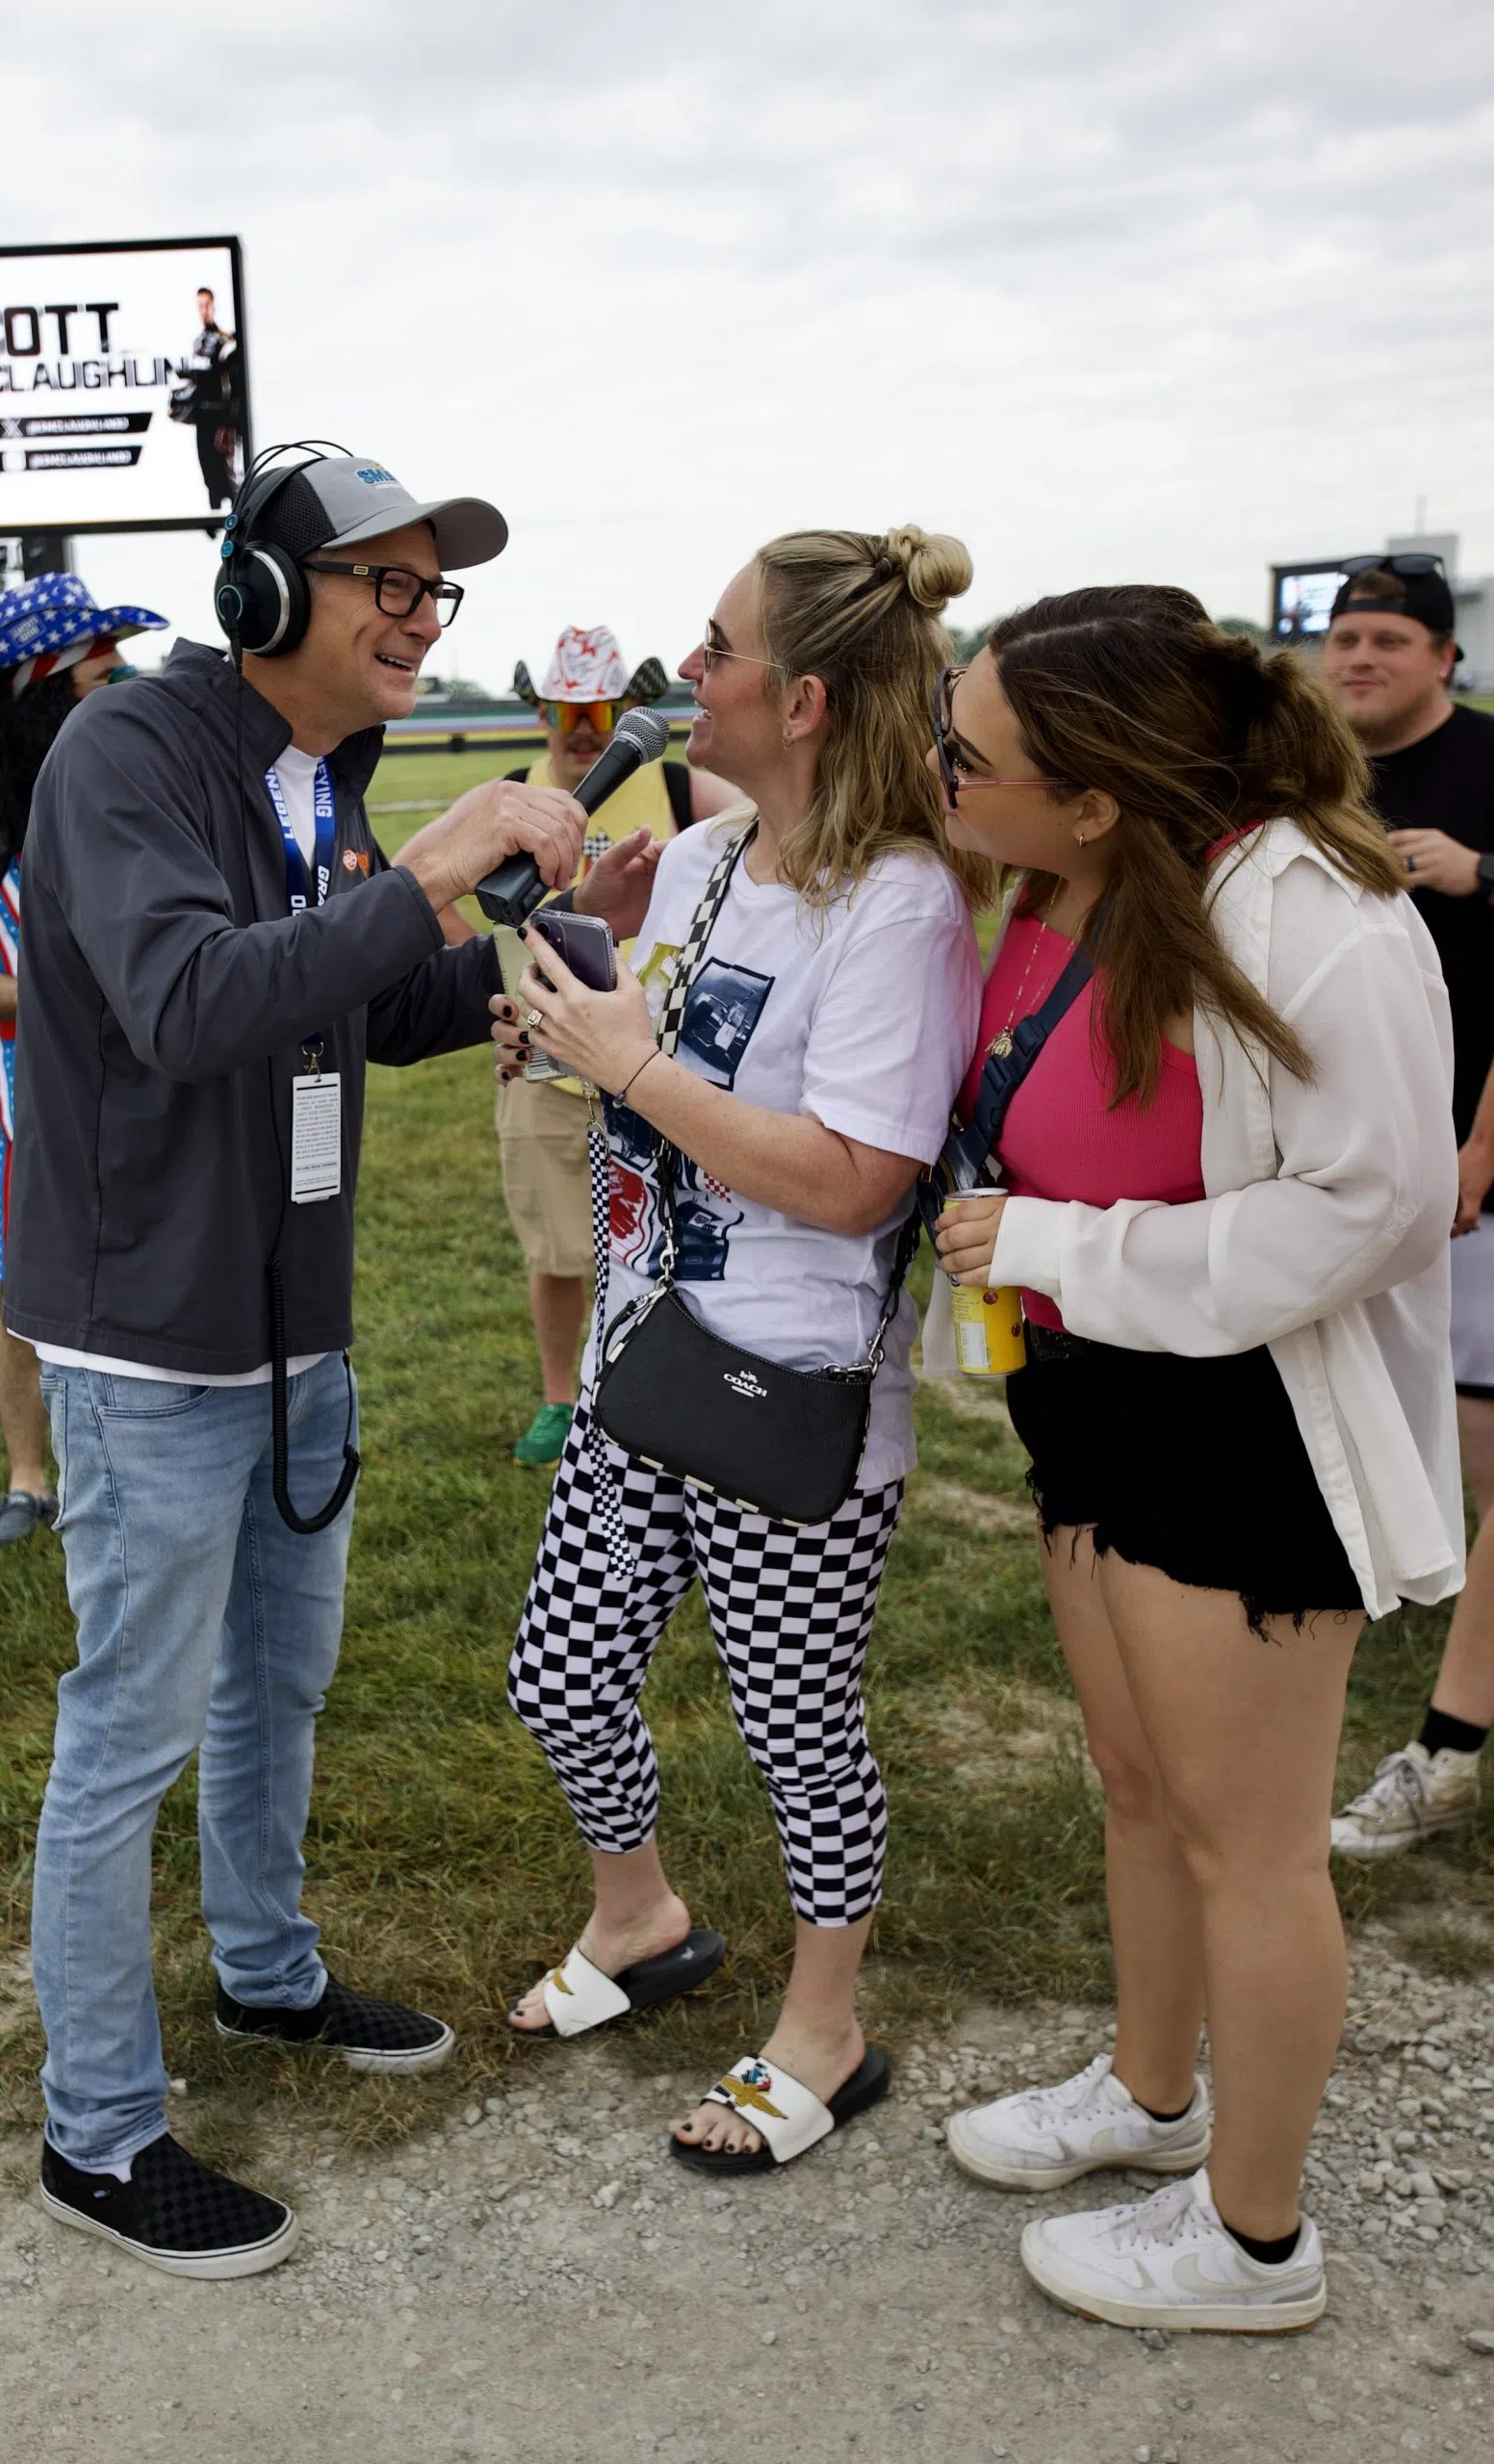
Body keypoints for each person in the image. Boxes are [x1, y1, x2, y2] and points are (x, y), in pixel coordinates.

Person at [1, 446, 660, 2280]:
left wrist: (526, 964)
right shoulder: (128, 753)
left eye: (435, 588)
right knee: (126, 1739)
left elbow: (360, 1003)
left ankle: (267, 1976)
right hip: (153, 1338)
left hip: (296, 1325)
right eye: (386, 579)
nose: (420, 617)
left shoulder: (328, 780)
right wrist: (434, 869)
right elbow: (189, 1002)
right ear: (266, 595)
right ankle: (96, 2132)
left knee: (276, 1687)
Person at [931, 586, 1458, 2334]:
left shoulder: (1312, 912)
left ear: (1094, 795)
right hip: (1093, 1398)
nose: (939, 775)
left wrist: (1057, 1248)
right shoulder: (1072, 883)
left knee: (1253, 1845)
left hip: (1247, 1430)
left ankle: (1253, 2242)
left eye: (966, 755)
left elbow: (1374, 1207)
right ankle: (1149, 2096)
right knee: (1137, 1784)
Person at [494, 526, 987, 2176]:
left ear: (806, 699)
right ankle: (637, 1915)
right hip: (640, 1359)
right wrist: (566, 1024)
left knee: (794, 1727)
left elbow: (854, 1183)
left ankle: (823, 2030)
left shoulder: (899, 903)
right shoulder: (705, 858)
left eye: (713, 649)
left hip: (786, 1391)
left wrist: (626, 1068)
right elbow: (657, 1076)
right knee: (559, 1678)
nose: (683, 673)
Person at [0, 574, 167, 1548]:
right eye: (105, 676)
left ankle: (137, 1471)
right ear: (46, 693)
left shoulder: (139, 798)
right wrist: (66, 1000)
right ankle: (28, 1483)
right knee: (30, 1296)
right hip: (22, 1113)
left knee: (150, 1283)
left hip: (150, 1096)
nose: (127, 688)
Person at [1319, 557, 1494, 1856]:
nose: (1360, 659)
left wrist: (1480, 873)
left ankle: (1447, 1748)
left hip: (1469, 1167)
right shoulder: (1307, 772)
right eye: (1344, 638)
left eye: (1388, 638)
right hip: (1339, 1168)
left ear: (1443, 656)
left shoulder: (1484, 764)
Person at [484, 624, 735, 1468]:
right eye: (567, 711)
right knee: (557, 1249)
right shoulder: (511, 798)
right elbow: (438, 915)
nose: (585, 730)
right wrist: (491, 989)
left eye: (600, 711)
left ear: (627, 707)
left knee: (674, 1242)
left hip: (663, 1064)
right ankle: (561, 1400)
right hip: (544, 1061)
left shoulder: (681, 787)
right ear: (541, 712)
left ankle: (654, 1390)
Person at [167, 286, 245, 511]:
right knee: (208, 470)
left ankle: (232, 516)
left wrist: (228, 422)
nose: (204, 311)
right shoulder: (198, 342)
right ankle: (213, 514)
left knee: (226, 473)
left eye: (207, 305)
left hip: (220, 416)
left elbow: (234, 384)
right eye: (200, 306)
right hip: (202, 416)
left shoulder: (226, 343)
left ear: (214, 306)